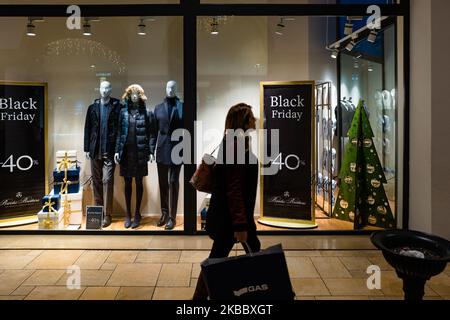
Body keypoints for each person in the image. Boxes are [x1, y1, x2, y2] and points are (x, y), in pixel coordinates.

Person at [193, 103, 261, 300]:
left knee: (222, 256)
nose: (254, 119)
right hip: (232, 219)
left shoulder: (234, 141)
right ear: (243, 120)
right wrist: (240, 224)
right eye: (251, 116)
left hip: (231, 216)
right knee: (222, 257)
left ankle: (200, 297)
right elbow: (234, 190)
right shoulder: (235, 145)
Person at [114, 84, 154, 229]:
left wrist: (151, 152)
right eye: (132, 93)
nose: (135, 96)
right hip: (126, 154)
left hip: (140, 153)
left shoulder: (147, 113)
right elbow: (119, 133)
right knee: (127, 183)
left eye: (137, 93)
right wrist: (117, 151)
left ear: (141, 95)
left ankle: (137, 213)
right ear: (129, 95)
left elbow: (151, 134)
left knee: (139, 182)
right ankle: (128, 214)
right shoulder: (123, 113)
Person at [84, 81, 122, 228]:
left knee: (108, 181)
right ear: (99, 89)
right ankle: (98, 212)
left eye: (107, 87)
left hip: (110, 151)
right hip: (95, 151)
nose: (104, 90)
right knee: (97, 182)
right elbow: (87, 128)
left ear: (111, 89)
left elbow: (120, 130)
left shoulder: (117, 107)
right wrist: (87, 148)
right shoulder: (92, 108)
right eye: (102, 88)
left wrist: (118, 150)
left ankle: (108, 214)